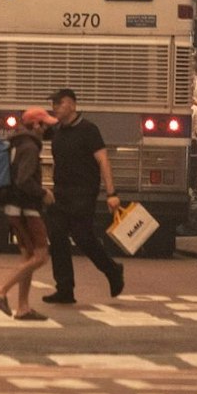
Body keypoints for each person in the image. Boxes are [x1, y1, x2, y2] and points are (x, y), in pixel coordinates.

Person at [42, 88, 125, 305]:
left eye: (59, 103)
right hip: (61, 193)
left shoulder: (88, 130)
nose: (55, 108)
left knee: (83, 237)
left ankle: (112, 270)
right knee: (57, 237)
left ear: (71, 104)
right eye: (53, 104)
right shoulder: (57, 130)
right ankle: (64, 289)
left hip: (83, 193)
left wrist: (111, 193)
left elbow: (103, 160)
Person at [0, 109, 56, 322]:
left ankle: (23, 307)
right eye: (45, 124)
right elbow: (24, 180)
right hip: (26, 209)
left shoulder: (17, 143)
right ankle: (0, 290)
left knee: (28, 256)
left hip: (15, 208)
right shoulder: (30, 147)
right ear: (35, 125)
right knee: (40, 256)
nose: (48, 129)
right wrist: (43, 193)